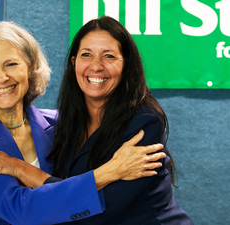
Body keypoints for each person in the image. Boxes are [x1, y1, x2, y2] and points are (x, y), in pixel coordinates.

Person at [0, 21, 166, 225]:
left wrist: (16, 166)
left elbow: (74, 195)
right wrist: (110, 171)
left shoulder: (61, 124)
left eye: (11, 64)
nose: (1, 77)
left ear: (28, 68)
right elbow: (18, 208)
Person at [45, 16, 193, 224]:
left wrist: (22, 171)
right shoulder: (67, 121)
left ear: (126, 65)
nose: (96, 66)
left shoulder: (144, 122)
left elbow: (98, 210)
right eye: (86, 54)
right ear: (74, 62)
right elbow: (65, 191)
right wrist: (110, 171)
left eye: (109, 56)